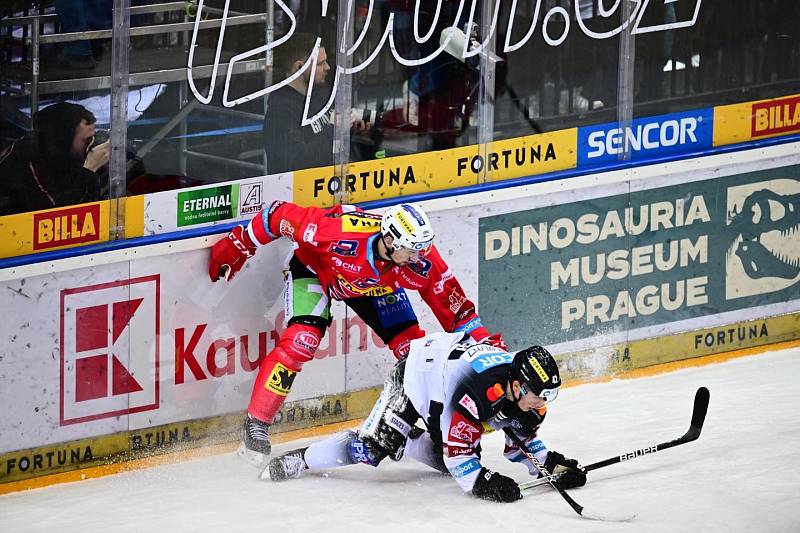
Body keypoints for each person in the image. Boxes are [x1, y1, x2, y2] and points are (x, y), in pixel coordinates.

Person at [208, 201, 505, 464]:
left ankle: (424, 431)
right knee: (301, 342)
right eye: (412, 249)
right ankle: (256, 424)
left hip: (372, 285)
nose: (419, 257)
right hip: (314, 270)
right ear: (389, 240)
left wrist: (490, 355)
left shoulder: (421, 260)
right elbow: (276, 215)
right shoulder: (333, 231)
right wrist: (240, 243)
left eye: (422, 248)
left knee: (415, 354)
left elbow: (459, 313)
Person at [264, 331, 587, 503]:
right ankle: (301, 459)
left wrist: (554, 465)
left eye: (549, 395)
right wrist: (483, 482)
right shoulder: (476, 390)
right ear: (517, 385)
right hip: (417, 374)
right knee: (373, 448)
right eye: (540, 393)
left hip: (443, 388)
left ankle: (409, 443)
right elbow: (461, 454)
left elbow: (521, 445)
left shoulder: (529, 401)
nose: (543, 402)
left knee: (446, 462)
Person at [262, 32, 368, 174]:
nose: (328, 67)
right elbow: (297, 163)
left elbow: (344, 116)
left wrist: (379, 119)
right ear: (299, 67)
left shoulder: (319, 94)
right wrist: (334, 129)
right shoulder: (280, 112)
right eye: (320, 64)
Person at [0, 102, 110, 216]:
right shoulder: (27, 160)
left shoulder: (66, 153)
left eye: (93, 136)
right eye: (86, 140)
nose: (91, 144)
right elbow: (53, 216)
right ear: (64, 140)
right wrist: (89, 168)